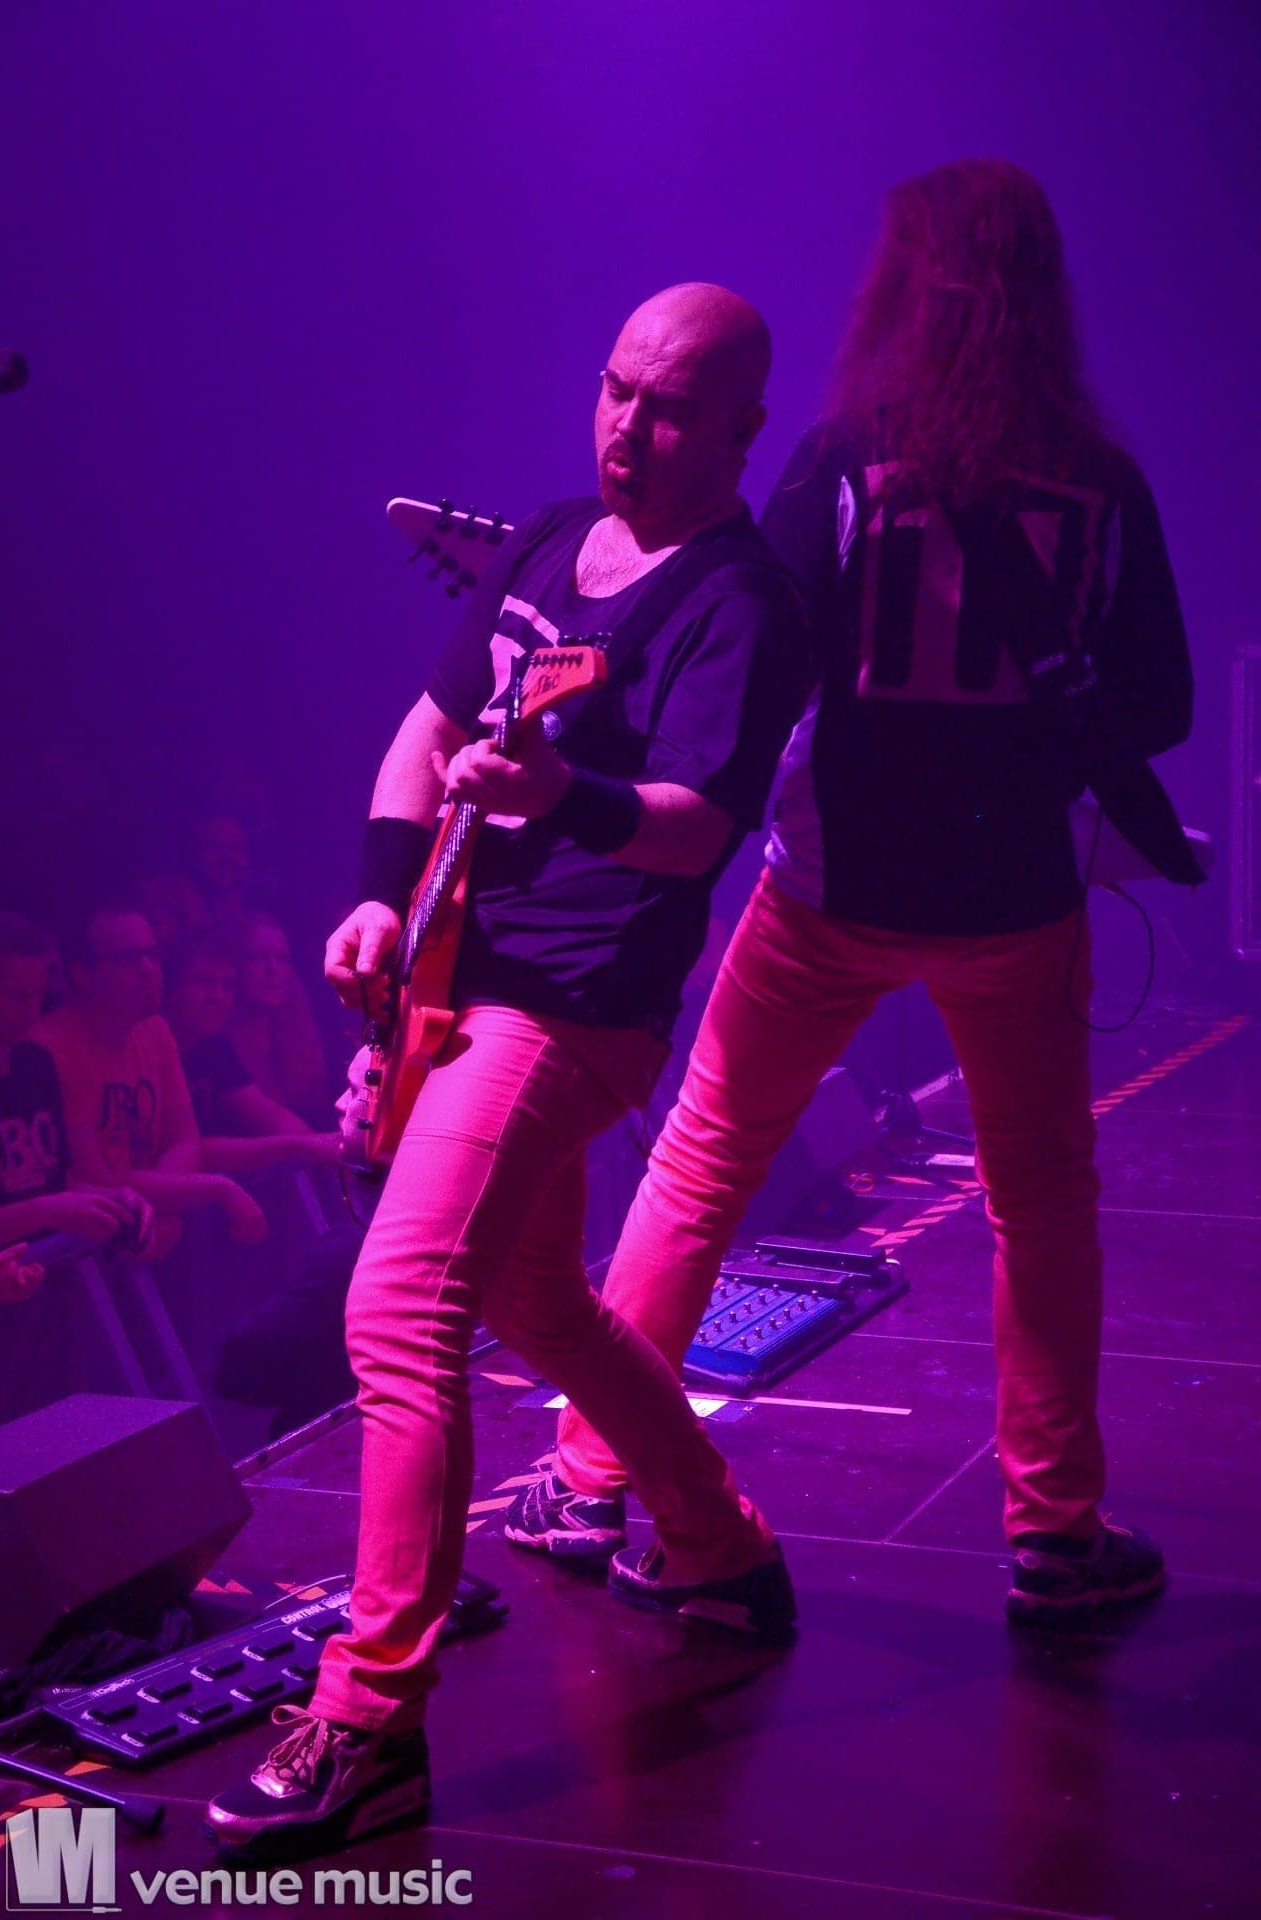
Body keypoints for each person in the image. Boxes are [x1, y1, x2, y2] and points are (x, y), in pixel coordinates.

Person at [509, 163, 1193, 1631]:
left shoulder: (837, 460)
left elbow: (761, 655)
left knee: (700, 1168)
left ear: (899, 290)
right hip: (1014, 899)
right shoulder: (1104, 480)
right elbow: (1165, 703)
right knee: (1040, 1204)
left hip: (830, 887)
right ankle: (1055, 1530)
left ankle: (588, 1477)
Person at [207, 281, 811, 1855]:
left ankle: (369, 1719)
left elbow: (696, 829)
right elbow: (425, 730)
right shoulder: (550, 541)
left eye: (670, 408)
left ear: (741, 430)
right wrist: (376, 892)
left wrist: (561, 796)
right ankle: (721, 1548)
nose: (630, 427)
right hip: (464, 972)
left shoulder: (739, 602)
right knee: (539, 1299)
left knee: (399, 1305)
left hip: (577, 1005)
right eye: (617, 389)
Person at [32, 906, 269, 1249]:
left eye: (152, 954)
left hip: (137, 1230)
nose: (148, 969)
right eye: (129, 959)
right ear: (82, 975)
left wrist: (156, 1204)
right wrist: (203, 1190)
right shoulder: (49, 1050)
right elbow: (93, 1178)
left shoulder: (154, 1030)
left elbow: (185, 1141)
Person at [0, 911, 150, 1254]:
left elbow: (56, 1183)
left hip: (51, 1270)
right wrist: (43, 1212)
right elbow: (46, 1205)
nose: (33, 1011)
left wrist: (112, 1198)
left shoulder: (35, 1063)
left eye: (39, 996)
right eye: (18, 996)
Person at [168, 932, 340, 1174]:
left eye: (226, 986)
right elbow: (190, 1149)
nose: (217, 996)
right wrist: (305, 1146)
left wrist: (324, 1150)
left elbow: (269, 1116)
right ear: (171, 986)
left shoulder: (213, 1049)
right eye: (203, 982)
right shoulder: (157, 1043)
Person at [226, 914, 331, 1123]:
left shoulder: (298, 1033)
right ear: (235, 966)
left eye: (281, 959)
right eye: (257, 958)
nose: (273, 969)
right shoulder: (221, 1044)